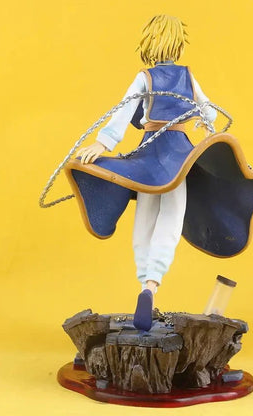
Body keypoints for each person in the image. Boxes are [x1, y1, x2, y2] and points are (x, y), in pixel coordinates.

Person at [76, 15, 216, 331]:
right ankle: (152, 284)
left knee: (145, 219)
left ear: (150, 43)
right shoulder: (188, 77)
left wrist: (103, 142)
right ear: (178, 44)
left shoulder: (146, 78)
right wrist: (207, 128)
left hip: (149, 156)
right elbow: (209, 110)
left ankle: (144, 284)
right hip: (179, 157)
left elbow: (123, 109)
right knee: (171, 219)